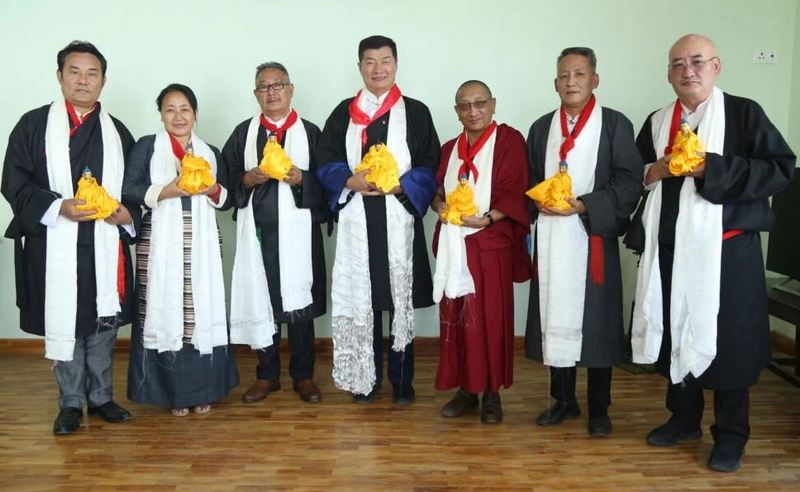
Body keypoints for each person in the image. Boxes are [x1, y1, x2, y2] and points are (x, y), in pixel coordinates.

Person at [630, 34, 795, 472]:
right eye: (678, 63)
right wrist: (658, 168)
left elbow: (780, 169)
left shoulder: (743, 113)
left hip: (727, 256)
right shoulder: (656, 121)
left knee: (730, 348)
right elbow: (638, 175)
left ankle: (731, 435)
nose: (688, 70)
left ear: (716, 66)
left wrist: (710, 167)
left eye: (697, 61)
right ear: (669, 73)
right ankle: (683, 419)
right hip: (669, 251)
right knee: (674, 333)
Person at [1, 41, 136, 435]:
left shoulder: (117, 132)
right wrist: (58, 206)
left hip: (103, 241)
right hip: (53, 240)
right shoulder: (32, 125)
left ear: (103, 81)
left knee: (102, 321)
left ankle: (102, 396)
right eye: (74, 71)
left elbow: (134, 188)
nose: (83, 80)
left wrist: (126, 213)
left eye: (92, 73)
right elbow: (14, 180)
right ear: (59, 76)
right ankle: (71, 402)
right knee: (67, 319)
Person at [525, 47, 643, 436]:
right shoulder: (542, 128)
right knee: (554, 316)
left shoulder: (614, 125)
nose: (571, 81)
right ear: (555, 83)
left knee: (598, 323)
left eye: (579, 74)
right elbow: (528, 181)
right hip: (552, 239)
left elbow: (629, 180)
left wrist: (584, 206)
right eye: (564, 75)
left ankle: (598, 407)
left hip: (591, 238)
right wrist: (538, 201)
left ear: (595, 79)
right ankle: (563, 400)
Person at [316, 35, 440, 404]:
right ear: (359, 67)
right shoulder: (343, 112)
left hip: (397, 217)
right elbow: (326, 159)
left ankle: (403, 382)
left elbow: (430, 163)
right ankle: (365, 379)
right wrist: (349, 179)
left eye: (385, 61)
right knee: (364, 301)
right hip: (358, 219)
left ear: (396, 64)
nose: (378, 69)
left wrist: (399, 184)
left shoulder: (415, 112)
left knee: (397, 301)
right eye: (369, 62)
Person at [123, 83, 238, 417]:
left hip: (201, 245)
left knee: (199, 310)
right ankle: (171, 393)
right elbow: (129, 189)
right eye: (170, 109)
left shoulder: (210, 152)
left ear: (195, 114)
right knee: (164, 307)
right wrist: (167, 190)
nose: (178, 116)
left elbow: (227, 199)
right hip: (159, 244)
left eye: (185, 109)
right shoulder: (147, 148)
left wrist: (215, 189)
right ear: (160, 114)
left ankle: (206, 390)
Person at [224, 62, 327, 404]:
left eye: (278, 85)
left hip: (299, 234)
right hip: (259, 236)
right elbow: (225, 183)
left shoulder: (311, 133)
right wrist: (247, 180)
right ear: (256, 94)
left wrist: (301, 179)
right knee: (262, 299)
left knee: (300, 304)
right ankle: (267, 375)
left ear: (291, 89)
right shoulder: (243, 133)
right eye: (264, 87)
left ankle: (303, 375)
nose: (272, 92)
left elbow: (330, 185)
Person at [431, 80, 530, 423]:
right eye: (464, 105)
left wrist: (486, 219)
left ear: (493, 104)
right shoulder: (449, 148)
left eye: (480, 103)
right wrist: (440, 207)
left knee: (490, 319)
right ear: (456, 110)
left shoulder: (509, 141)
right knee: (458, 319)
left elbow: (516, 190)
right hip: (454, 245)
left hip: (489, 245)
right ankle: (465, 389)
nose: (473, 111)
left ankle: (491, 393)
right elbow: (436, 188)